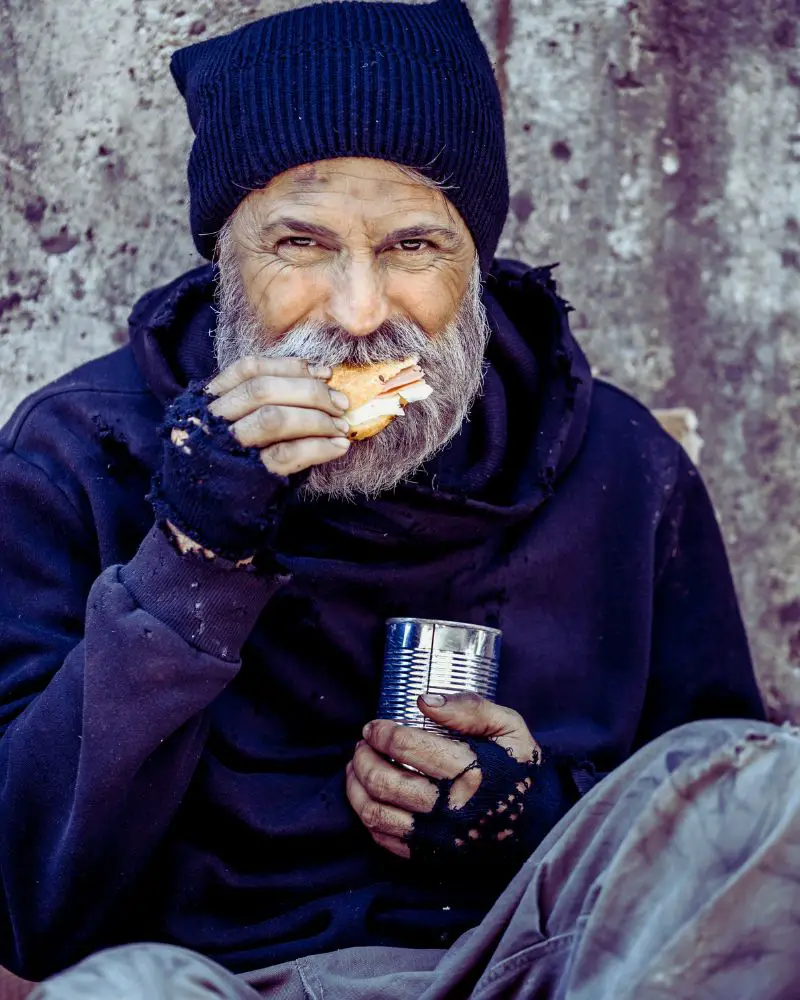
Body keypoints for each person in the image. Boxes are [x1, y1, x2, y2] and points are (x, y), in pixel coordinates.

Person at [1, 0, 792, 997]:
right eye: (298, 244)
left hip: (547, 969)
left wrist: (534, 811)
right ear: (224, 257)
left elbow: (716, 809)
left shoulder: (618, 464)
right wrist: (191, 555)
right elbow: (23, 903)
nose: (359, 312)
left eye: (413, 246)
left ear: (478, 263)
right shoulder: (78, 450)